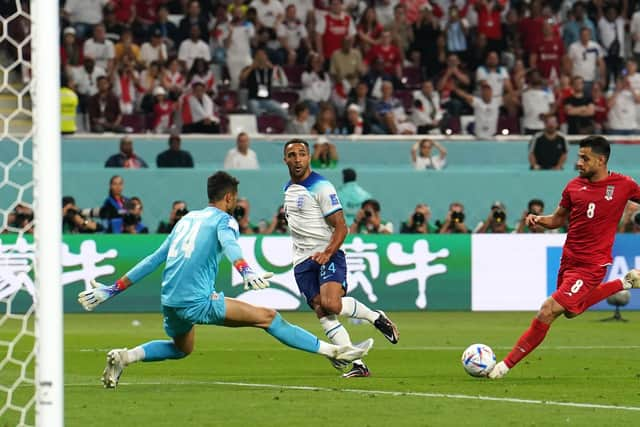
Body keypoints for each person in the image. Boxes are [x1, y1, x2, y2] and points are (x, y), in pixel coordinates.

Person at [78, 171, 373, 388]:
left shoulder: (187, 220)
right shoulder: (224, 220)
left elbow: (154, 259)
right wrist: (245, 270)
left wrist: (112, 289)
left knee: (182, 348)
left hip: (170, 301)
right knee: (269, 317)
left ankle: (125, 356)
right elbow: (230, 245)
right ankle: (336, 350)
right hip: (197, 302)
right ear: (229, 197)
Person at [489, 136, 640, 379]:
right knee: (571, 311)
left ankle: (502, 367)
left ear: (601, 160)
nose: (578, 162)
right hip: (568, 261)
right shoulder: (573, 187)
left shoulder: (624, 185)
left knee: (548, 309)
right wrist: (539, 220)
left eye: (585, 158)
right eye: (579, 156)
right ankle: (626, 282)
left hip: (592, 265)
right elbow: (558, 219)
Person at [282, 139, 399, 378]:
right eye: (291, 155)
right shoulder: (288, 188)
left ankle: (375, 317)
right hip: (301, 261)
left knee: (332, 304)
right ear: (285, 160)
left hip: (327, 253)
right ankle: (358, 365)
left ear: (309, 157)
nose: (297, 159)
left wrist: (327, 252)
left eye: (301, 154)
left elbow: (342, 227)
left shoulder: (321, 186)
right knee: (321, 310)